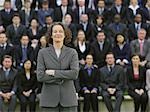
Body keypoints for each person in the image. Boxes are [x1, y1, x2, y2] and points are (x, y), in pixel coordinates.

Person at [36, 22, 79, 112]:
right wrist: (64, 76)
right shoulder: (42, 53)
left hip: (68, 100)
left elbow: (74, 74)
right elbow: (40, 76)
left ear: (64, 34)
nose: (58, 34)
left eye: (60, 31)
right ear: (51, 35)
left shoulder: (72, 52)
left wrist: (54, 73)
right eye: (55, 31)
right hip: (48, 100)